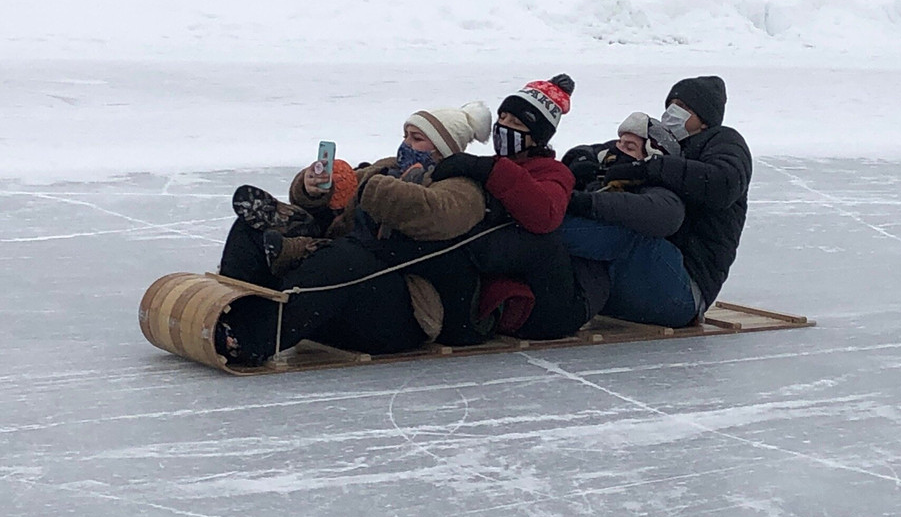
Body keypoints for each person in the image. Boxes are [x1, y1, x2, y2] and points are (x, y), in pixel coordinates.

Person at [214, 102, 495, 365]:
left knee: (347, 258)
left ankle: (250, 340)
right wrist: (317, 190)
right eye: (406, 135)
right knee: (252, 228)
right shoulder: (388, 168)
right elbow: (347, 193)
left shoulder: (461, 187)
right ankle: (229, 313)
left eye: (417, 138)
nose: (406, 144)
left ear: (443, 149)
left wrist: (377, 187)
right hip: (340, 305)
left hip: (400, 319)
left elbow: (436, 214)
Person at [429, 75, 599, 339]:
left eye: (517, 123)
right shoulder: (493, 166)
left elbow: (545, 215)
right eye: (503, 118)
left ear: (537, 137)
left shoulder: (554, 173)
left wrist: (490, 170)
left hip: (549, 307)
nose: (504, 127)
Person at [598, 76, 752, 321]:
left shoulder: (724, 141)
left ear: (705, 119)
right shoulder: (661, 142)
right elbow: (609, 149)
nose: (673, 112)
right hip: (646, 279)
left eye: (685, 107)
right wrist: (585, 160)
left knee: (622, 236)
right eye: (672, 104)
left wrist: (651, 168)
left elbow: (724, 182)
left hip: (685, 287)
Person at [560, 113, 692, 326]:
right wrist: (581, 161)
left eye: (629, 148)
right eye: (619, 143)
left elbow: (667, 216)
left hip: (675, 301)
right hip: (624, 301)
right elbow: (591, 150)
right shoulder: (610, 173)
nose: (619, 151)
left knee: (626, 235)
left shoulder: (660, 186)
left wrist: (588, 203)